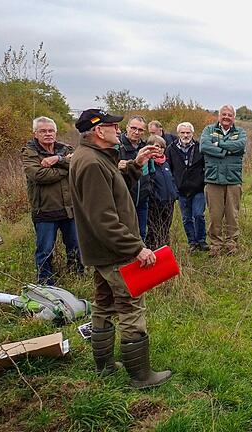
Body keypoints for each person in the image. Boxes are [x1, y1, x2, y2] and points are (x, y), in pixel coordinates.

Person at [70, 108, 171, 389]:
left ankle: (104, 367)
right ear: (99, 131)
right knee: (130, 305)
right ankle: (141, 376)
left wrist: (137, 164)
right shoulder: (91, 163)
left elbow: (116, 191)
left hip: (101, 251)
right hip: (114, 252)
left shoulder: (95, 158)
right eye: (113, 126)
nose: (119, 129)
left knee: (103, 305)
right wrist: (136, 248)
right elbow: (103, 218)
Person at [21, 116, 83, 284]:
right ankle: (45, 283)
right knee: (45, 250)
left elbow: (77, 166)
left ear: (55, 133)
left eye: (50, 131)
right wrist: (65, 169)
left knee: (75, 246)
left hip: (69, 209)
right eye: (43, 131)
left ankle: (77, 278)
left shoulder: (65, 149)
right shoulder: (29, 152)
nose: (47, 134)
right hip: (45, 210)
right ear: (35, 134)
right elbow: (39, 175)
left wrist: (58, 159)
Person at [200, 104, 247, 256]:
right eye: (223, 114)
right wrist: (227, 151)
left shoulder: (240, 132)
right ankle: (216, 245)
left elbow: (240, 146)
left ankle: (231, 244)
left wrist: (218, 144)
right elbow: (204, 146)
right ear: (219, 116)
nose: (226, 117)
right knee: (215, 215)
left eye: (230, 115)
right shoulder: (209, 130)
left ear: (234, 117)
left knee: (232, 215)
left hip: (233, 179)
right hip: (213, 179)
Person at [166, 121, 208, 251]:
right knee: (186, 218)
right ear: (178, 134)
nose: (185, 135)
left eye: (188, 132)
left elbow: (206, 166)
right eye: (182, 132)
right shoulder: (171, 149)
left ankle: (201, 240)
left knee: (198, 215)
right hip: (181, 190)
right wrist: (174, 186)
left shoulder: (200, 147)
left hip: (198, 189)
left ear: (192, 133)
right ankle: (192, 243)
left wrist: (203, 181)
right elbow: (169, 169)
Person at [118, 115, 152, 239]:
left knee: (141, 232)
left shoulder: (145, 147)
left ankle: (140, 258)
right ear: (127, 127)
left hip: (143, 199)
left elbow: (151, 171)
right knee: (126, 235)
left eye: (140, 130)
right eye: (133, 128)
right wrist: (117, 166)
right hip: (124, 200)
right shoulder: (117, 145)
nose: (136, 132)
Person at [145, 135, 178, 250]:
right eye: (156, 146)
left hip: (169, 202)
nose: (159, 149)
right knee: (154, 230)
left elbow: (171, 180)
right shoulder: (148, 164)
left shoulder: (166, 164)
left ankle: (164, 251)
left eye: (161, 147)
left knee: (165, 229)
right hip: (155, 204)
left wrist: (174, 194)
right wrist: (155, 197)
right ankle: (152, 251)